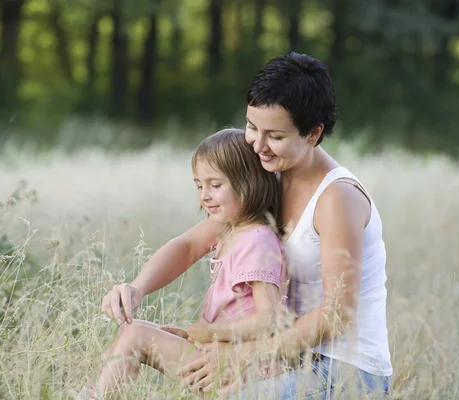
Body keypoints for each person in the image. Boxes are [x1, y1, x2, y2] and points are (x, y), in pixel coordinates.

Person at [101, 52, 393, 399]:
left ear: (313, 133)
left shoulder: (336, 199)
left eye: (275, 135)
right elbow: (192, 245)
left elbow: (337, 313)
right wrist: (137, 288)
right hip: (280, 357)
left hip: (342, 371)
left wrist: (241, 354)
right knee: (139, 335)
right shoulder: (269, 178)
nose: (257, 144)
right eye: (252, 127)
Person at [80, 128, 289, 398]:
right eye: (199, 185)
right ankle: (88, 393)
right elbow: (186, 246)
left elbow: (270, 319)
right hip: (217, 353)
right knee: (130, 330)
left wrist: (212, 333)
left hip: (245, 370)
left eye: (215, 185)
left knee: (136, 336)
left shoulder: (256, 240)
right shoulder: (231, 230)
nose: (204, 196)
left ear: (248, 183)